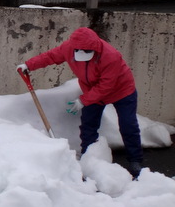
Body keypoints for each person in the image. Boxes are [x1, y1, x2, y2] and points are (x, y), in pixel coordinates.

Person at [17, 27, 144, 179]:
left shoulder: (110, 56)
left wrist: (83, 100)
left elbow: (106, 86)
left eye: (88, 52)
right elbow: (50, 56)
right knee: (88, 125)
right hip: (92, 91)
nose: (83, 54)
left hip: (122, 91)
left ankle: (135, 160)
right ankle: (88, 157)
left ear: (94, 49)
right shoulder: (68, 48)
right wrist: (29, 65)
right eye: (80, 52)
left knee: (128, 125)